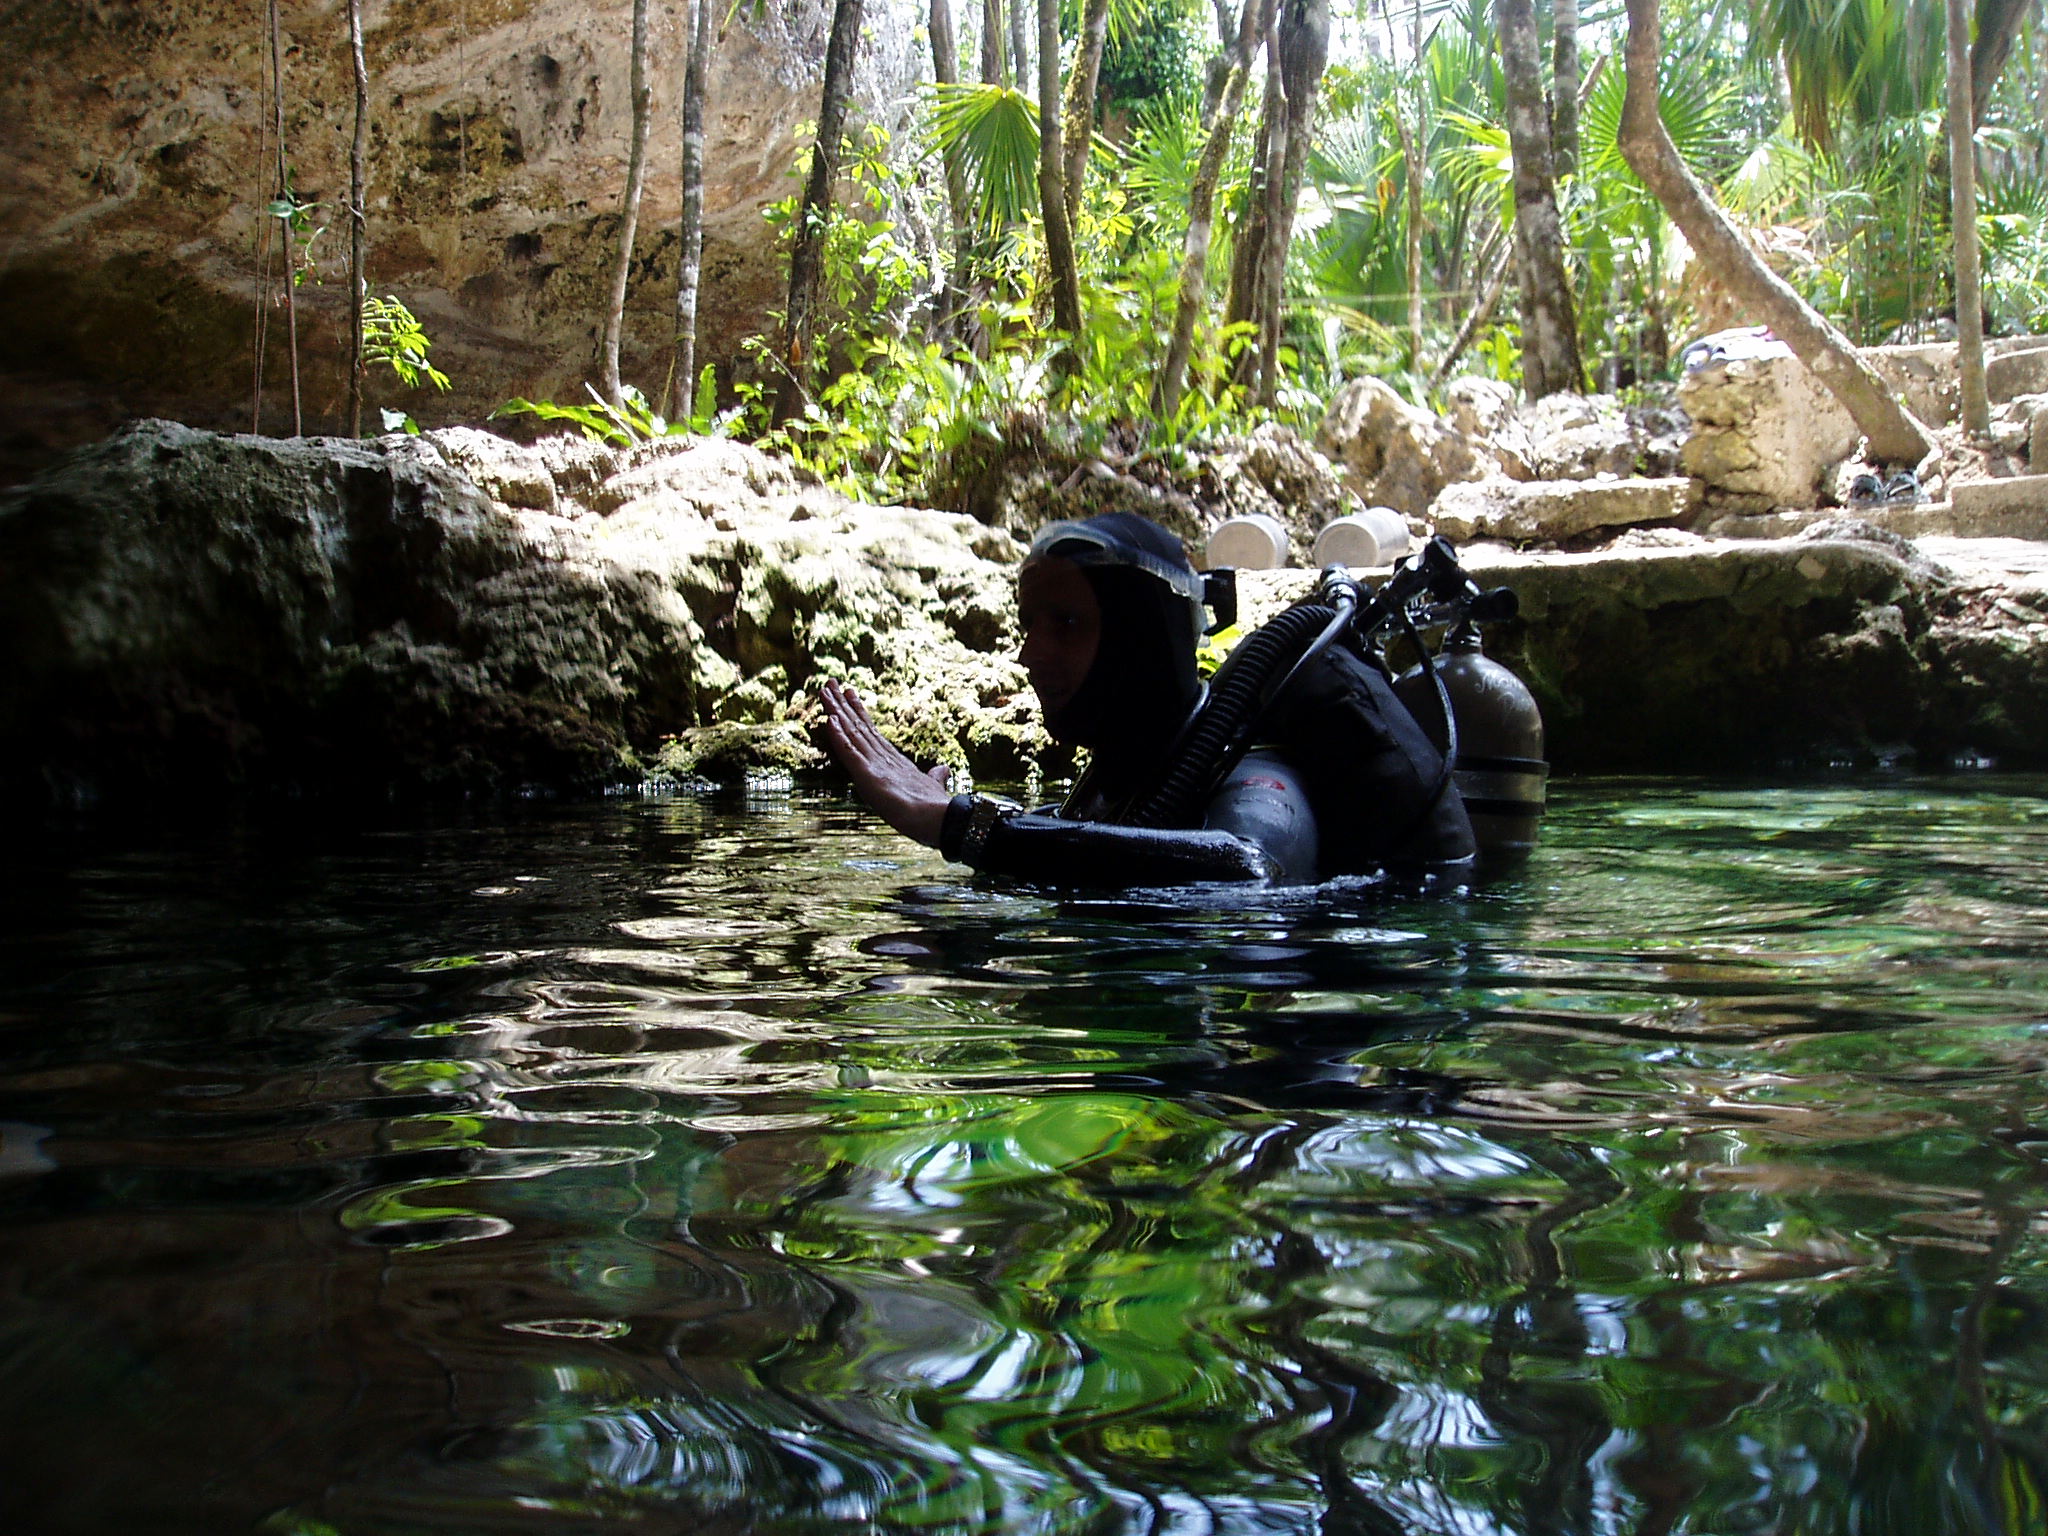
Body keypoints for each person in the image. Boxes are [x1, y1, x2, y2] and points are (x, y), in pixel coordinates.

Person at [820, 512, 1476, 888]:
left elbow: (1249, 872)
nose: (1029, 654)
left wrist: (964, 826)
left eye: (1066, 625)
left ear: (1139, 643)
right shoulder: (1122, 781)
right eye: (1029, 625)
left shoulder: (1252, 777)